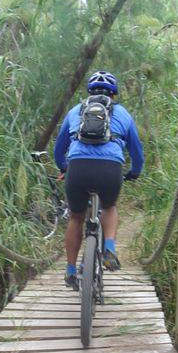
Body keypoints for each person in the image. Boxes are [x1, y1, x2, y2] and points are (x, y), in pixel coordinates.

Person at [54, 70, 144, 290]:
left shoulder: (76, 111)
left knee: (76, 218)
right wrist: (134, 171)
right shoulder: (123, 113)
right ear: (113, 94)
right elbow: (137, 151)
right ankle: (110, 249)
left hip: (78, 168)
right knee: (110, 206)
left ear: (89, 92)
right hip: (109, 169)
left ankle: (70, 270)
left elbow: (59, 148)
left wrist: (64, 167)